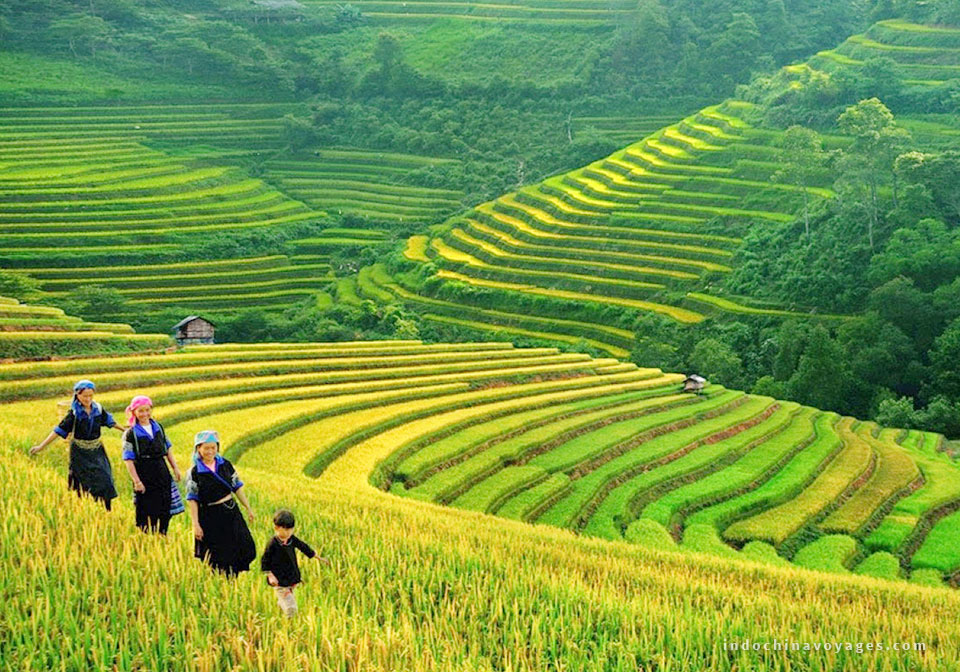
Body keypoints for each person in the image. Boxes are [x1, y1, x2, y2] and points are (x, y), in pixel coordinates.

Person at [30, 379, 122, 510]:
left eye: (91, 395)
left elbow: (110, 422)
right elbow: (58, 431)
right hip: (80, 452)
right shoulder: (74, 413)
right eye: (85, 396)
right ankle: (84, 509)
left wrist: (126, 430)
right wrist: (41, 447)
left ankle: (107, 510)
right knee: (83, 482)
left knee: (105, 478)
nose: (88, 399)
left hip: (97, 450)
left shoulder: (98, 409)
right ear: (77, 395)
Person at [184, 430, 256, 576]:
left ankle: (235, 576)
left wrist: (247, 507)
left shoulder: (225, 465)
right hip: (211, 516)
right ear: (198, 448)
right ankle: (224, 583)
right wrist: (195, 524)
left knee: (245, 544)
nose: (210, 451)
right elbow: (192, 499)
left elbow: (237, 487)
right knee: (219, 553)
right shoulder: (195, 471)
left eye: (213, 447)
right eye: (206, 448)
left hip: (231, 511)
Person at [121, 395, 183, 534]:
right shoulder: (131, 434)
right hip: (144, 472)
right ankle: (148, 538)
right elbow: (128, 459)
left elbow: (167, 449)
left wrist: (175, 468)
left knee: (165, 505)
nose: (145, 414)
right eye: (141, 411)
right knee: (147, 508)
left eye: (147, 410)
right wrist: (137, 481)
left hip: (161, 470)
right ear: (134, 412)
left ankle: (163, 535)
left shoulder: (158, 427)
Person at [260, 509, 329, 618]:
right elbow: (265, 560)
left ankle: (279, 612)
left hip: (291, 576)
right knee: (291, 607)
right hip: (279, 580)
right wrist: (270, 575)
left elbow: (304, 547)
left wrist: (318, 557)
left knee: (286, 599)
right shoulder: (273, 543)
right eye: (284, 530)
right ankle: (288, 624)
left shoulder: (291, 539)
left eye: (290, 530)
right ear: (276, 528)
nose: (287, 533)